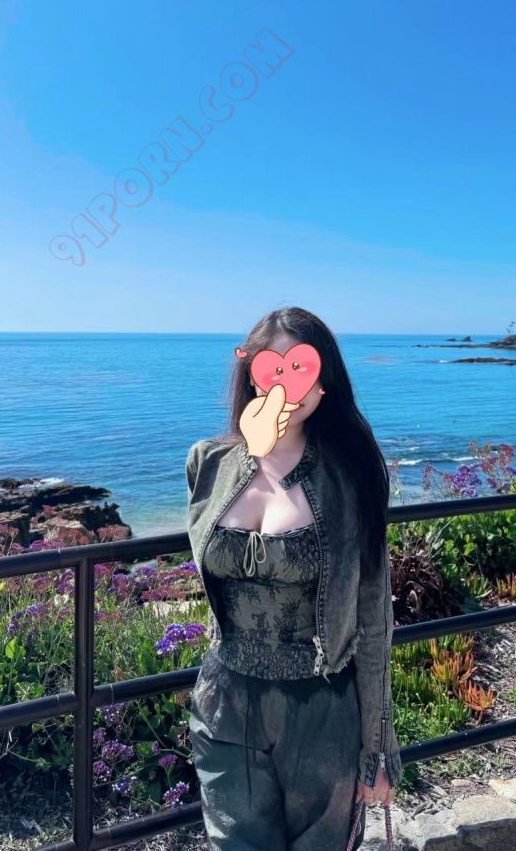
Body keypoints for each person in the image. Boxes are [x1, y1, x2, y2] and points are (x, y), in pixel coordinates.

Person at [186, 306, 402, 849]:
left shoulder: (351, 474)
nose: (288, 386)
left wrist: (378, 746)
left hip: (322, 713)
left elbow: (374, 617)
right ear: (250, 374)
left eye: (302, 369)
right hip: (225, 704)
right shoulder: (208, 464)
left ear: (326, 379)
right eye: (272, 369)